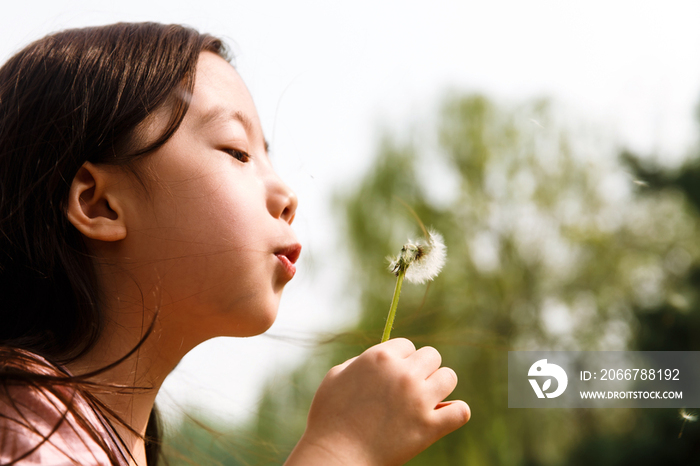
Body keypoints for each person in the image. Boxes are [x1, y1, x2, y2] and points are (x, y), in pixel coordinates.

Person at [0, 22, 470, 465]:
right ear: (100, 204)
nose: (287, 195)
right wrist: (342, 448)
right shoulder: (23, 429)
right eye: (237, 151)